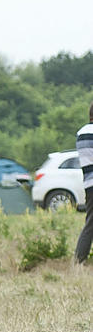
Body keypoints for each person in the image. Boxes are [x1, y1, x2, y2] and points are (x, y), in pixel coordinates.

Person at [73, 102, 93, 264]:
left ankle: (79, 259)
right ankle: (79, 259)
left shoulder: (81, 133)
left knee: (90, 222)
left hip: (89, 183)